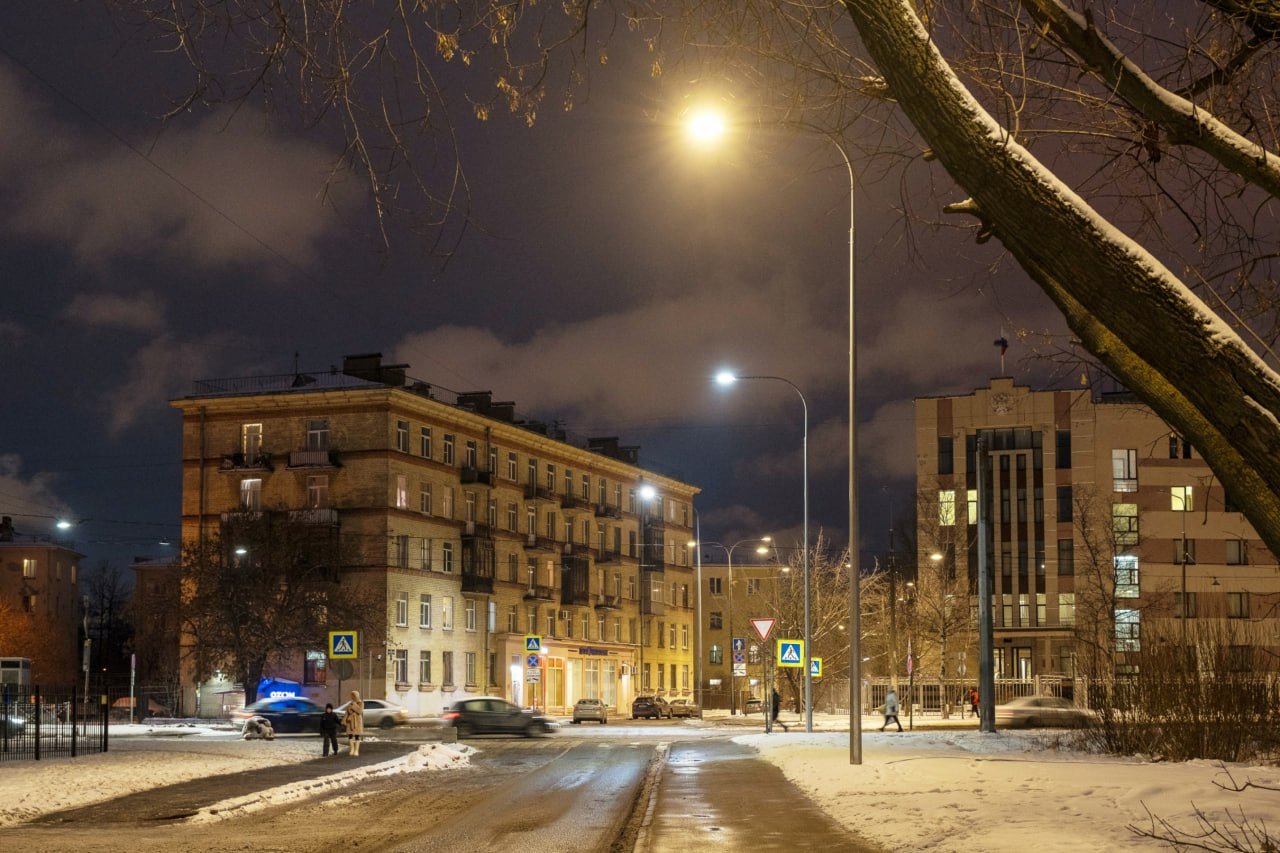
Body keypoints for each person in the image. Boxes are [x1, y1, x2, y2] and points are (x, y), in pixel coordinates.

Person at [342, 690, 365, 756]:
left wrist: (354, 705)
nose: (352, 697)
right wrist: (344, 719)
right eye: (352, 696)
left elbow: (360, 711)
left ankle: (356, 750)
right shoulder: (350, 703)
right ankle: (352, 749)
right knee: (350, 735)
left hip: (357, 721)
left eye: (353, 695)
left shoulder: (360, 703)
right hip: (350, 721)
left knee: (357, 735)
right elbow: (347, 712)